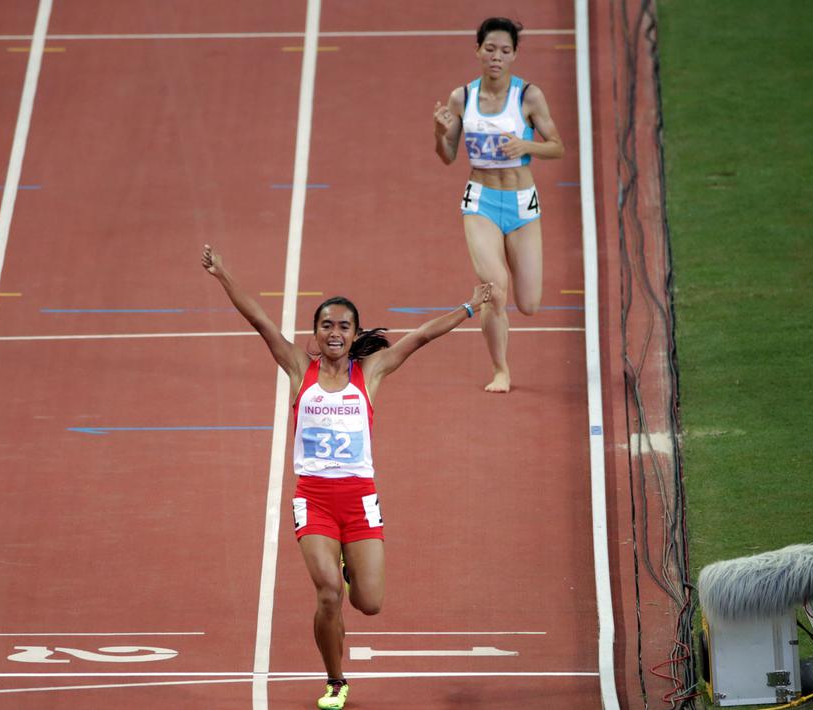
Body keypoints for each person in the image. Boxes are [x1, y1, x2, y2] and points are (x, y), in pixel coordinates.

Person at [201, 244, 492, 710]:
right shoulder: (301, 369)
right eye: (326, 325)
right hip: (313, 499)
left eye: (343, 326)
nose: (334, 332)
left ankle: (349, 571)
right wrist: (223, 274)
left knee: (369, 603)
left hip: (359, 501)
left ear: (355, 334)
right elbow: (260, 321)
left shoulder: (370, 373)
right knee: (328, 594)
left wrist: (467, 308)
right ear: (315, 333)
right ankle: (336, 679)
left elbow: (417, 339)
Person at [433, 16, 564, 393]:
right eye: (490, 49)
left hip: (523, 205)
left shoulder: (528, 97)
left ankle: (503, 357)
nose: (496, 57)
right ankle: (501, 370)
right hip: (482, 201)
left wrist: (527, 146)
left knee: (530, 303)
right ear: (477, 50)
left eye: (505, 51)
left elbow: (557, 146)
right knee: (495, 287)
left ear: (514, 56)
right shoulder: (463, 98)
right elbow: (446, 155)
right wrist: (439, 130)